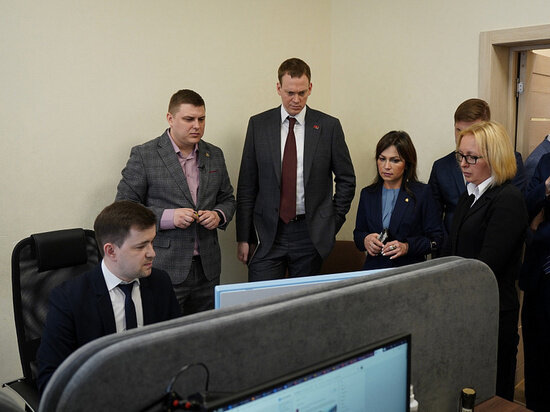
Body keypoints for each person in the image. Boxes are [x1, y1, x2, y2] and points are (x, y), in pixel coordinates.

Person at [37, 201, 181, 393]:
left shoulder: (159, 282)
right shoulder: (68, 299)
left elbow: (177, 347)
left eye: (152, 242)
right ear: (111, 251)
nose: (152, 253)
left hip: (154, 390)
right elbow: (50, 380)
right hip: (99, 395)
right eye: (141, 246)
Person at [116, 89, 235, 315]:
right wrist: (169, 217)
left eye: (201, 119)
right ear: (170, 118)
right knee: (165, 331)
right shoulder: (145, 155)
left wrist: (218, 215)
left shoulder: (214, 154)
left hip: (208, 269)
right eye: (189, 119)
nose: (197, 126)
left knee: (207, 330)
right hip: (164, 268)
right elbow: (124, 207)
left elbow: (227, 198)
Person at [236, 58, 355, 281]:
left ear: (310, 88)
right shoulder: (259, 125)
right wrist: (244, 237)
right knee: (262, 299)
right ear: (278, 88)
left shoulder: (328, 126)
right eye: (290, 93)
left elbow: (346, 179)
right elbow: (246, 186)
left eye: (302, 92)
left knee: (304, 300)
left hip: (309, 233)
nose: (296, 99)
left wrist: (330, 223)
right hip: (267, 233)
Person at [446, 121, 528, 401]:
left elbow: (486, 267)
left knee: (492, 394)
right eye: (460, 155)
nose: (463, 164)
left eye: (472, 157)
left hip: (492, 314)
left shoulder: (507, 199)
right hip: (465, 308)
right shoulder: (469, 195)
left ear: (495, 158)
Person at [429, 98, 526, 236]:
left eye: (472, 130)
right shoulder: (441, 167)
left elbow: (515, 210)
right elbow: (432, 216)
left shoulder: (510, 161)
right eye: (458, 130)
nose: (462, 136)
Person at [353, 131, 443, 269]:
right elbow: (358, 234)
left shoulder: (422, 193)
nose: (386, 166)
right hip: (374, 270)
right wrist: (366, 240)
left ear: (407, 164)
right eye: (382, 159)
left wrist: (407, 247)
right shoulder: (368, 194)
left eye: (395, 160)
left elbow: (436, 239)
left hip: (408, 270)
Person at [519, 152, 550, 411]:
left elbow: (537, 228)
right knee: (535, 356)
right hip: (537, 278)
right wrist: (547, 188)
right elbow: (525, 208)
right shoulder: (546, 161)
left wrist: (539, 228)